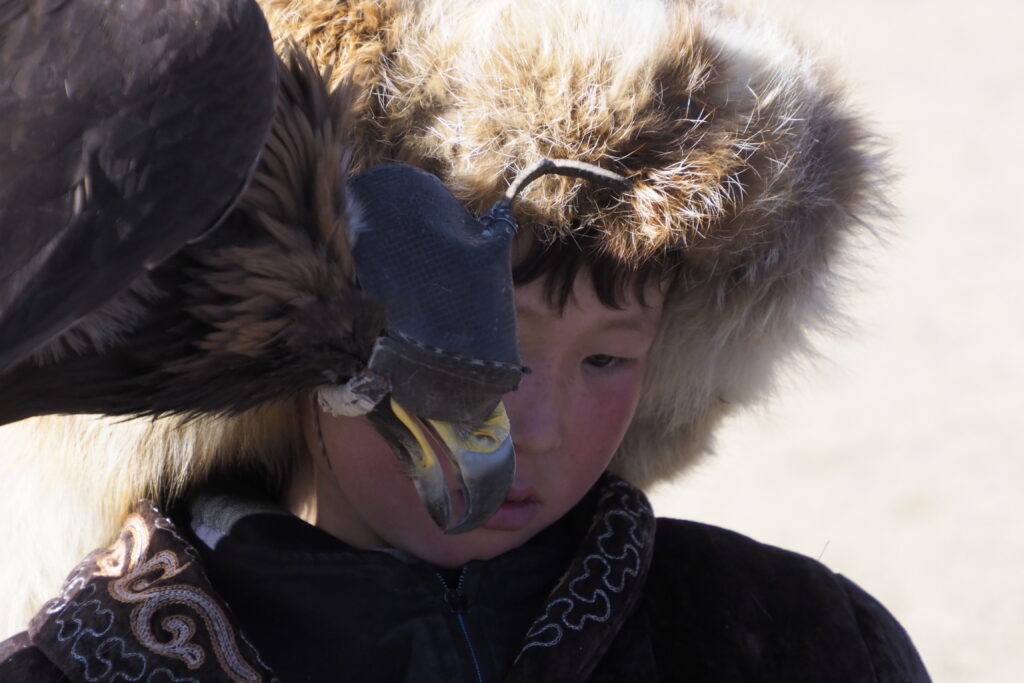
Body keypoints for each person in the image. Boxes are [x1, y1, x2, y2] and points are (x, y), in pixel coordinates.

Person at [0, 0, 932, 681]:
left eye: (606, 357)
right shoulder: (78, 662)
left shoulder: (797, 638)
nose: (533, 424)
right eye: (487, 339)